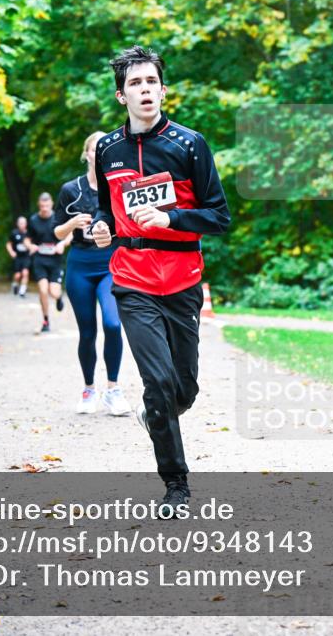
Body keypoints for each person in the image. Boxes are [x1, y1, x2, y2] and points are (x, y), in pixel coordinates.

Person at [91, 46, 230, 514]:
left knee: (183, 387)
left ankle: (158, 413)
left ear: (163, 90)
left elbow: (219, 216)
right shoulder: (108, 150)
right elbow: (105, 210)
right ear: (122, 96)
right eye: (135, 83)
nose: (145, 89)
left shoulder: (190, 145)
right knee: (158, 381)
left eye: (151, 81)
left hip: (183, 278)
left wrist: (172, 219)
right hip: (132, 280)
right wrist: (101, 226)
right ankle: (176, 486)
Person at [53, 132, 131, 417]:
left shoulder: (119, 187)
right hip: (80, 264)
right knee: (87, 332)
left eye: (104, 150)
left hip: (111, 262)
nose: (99, 154)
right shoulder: (70, 190)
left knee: (112, 324)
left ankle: (113, 390)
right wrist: (73, 223)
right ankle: (89, 390)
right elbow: (56, 232)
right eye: (94, 150)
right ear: (86, 154)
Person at [25, 193, 70, 332]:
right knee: (43, 290)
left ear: (51, 204)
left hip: (55, 259)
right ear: (39, 205)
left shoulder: (58, 218)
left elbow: (70, 233)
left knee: (53, 292)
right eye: (42, 206)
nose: (44, 208)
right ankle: (46, 321)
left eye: (47, 205)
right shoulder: (33, 220)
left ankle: (58, 298)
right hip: (39, 259)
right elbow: (27, 239)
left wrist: (62, 244)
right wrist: (30, 246)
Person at [6, 216, 30, 297]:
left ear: (26, 224)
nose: (22, 225)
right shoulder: (14, 233)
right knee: (17, 275)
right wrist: (11, 252)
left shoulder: (29, 233)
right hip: (18, 257)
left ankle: (22, 291)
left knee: (25, 273)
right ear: (17, 224)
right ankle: (15, 284)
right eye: (20, 223)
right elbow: (9, 244)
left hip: (26, 256)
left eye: (23, 223)